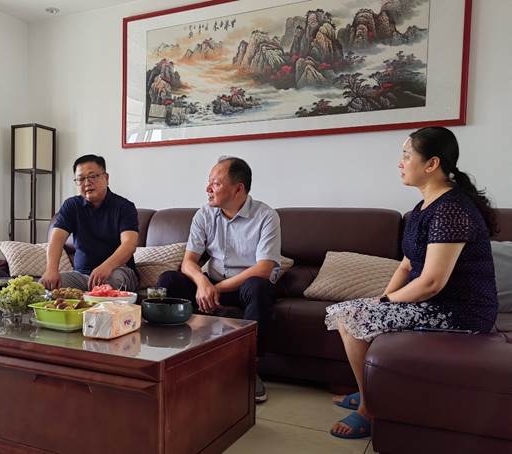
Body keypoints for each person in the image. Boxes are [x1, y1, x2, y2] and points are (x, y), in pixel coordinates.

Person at [325, 126, 499, 439]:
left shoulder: (452, 209)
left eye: (407, 156)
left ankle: (370, 408)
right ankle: (369, 390)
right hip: (431, 304)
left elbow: (431, 282)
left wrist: (385, 304)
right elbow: (407, 265)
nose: (400, 163)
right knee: (349, 313)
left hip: (460, 311)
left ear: (431, 164)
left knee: (352, 317)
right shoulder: (421, 209)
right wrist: (382, 300)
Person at [157, 156, 282, 404]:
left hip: (245, 286)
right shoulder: (204, 214)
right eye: (209, 182)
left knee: (259, 288)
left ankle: (248, 369)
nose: (208, 188)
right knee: (168, 280)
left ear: (238, 188)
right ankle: (170, 359)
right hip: (211, 283)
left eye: (215, 183)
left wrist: (215, 288)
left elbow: (264, 268)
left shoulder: (266, 216)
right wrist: (202, 283)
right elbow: (188, 262)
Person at [39, 155, 139, 291]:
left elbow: (129, 244)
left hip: (118, 271)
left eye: (93, 176)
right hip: (81, 276)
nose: (87, 183)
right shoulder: (72, 205)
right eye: (81, 179)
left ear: (106, 178)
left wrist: (106, 267)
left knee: (109, 286)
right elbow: (57, 238)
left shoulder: (124, 207)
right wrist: (51, 270)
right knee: (46, 287)